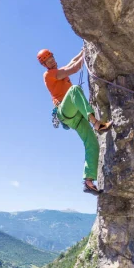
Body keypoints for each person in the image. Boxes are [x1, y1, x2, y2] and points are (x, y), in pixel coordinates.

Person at [38, 48, 112, 195]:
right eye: (48, 60)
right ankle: (96, 123)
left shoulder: (57, 71)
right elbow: (75, 67)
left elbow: (72, 62)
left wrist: (82, 50)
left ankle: (88, 181)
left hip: (76, 116)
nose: (51, 61)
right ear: (45, 64)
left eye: (51, 57)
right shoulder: (49, 75)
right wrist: (87, 52)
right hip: (65, 112)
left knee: (91, 143)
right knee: (74, 90)